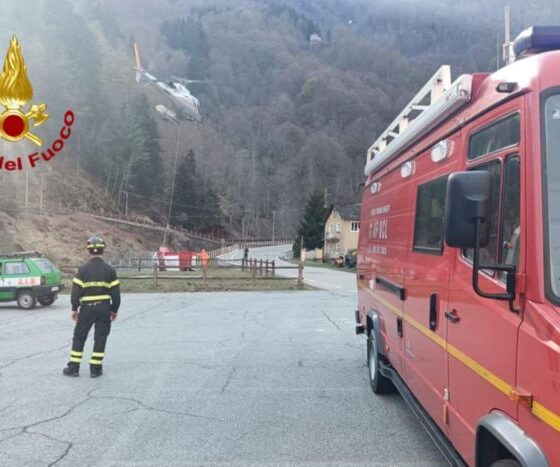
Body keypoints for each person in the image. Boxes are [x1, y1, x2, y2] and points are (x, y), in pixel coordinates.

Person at [63, 236, 120, 378]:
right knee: (100, 337)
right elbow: (116, 294)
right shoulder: (110, 270)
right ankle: (95, 369)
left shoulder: (82, 270)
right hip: (104, 308)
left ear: (89, 251)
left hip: (87, 309)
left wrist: (74, 308)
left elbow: (75, 292)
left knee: (79, 337)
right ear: (102, 250)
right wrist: (114, 310)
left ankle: (74, 368)